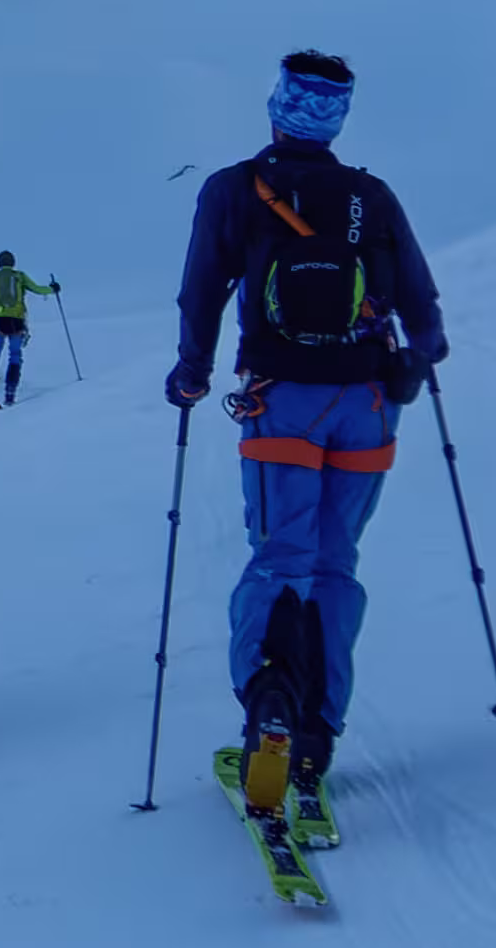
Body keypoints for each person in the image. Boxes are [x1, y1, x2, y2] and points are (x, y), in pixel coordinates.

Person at [164, 51, 447, 820]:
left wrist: (191, 373)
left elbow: (201, 293)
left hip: (281, 400)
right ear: (338, 119)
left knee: (280, 556)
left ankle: (269, 706)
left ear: (276, 108)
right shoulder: (372, 196)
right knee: (335, 561)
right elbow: (423, 312)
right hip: (367, 406)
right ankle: (317, 733)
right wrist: (418, 361)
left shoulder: (234, 190)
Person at [0, 253, 60, 407]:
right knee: (15, 356)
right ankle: (10, 394)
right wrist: (52, 289)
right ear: (13, 263)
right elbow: (38, 289)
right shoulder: (20, 277)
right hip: (17, 322)